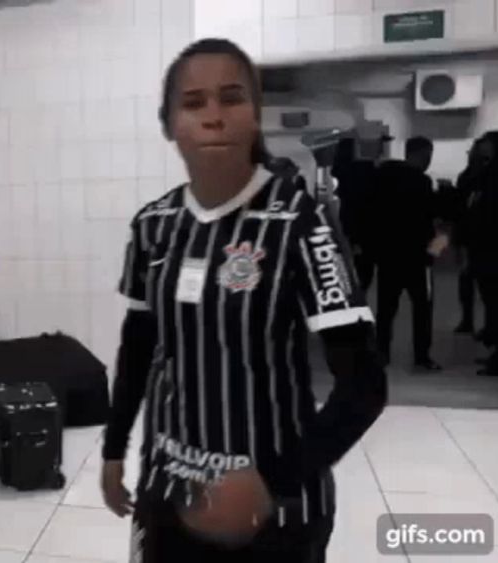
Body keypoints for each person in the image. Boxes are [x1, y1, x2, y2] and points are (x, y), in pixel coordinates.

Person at [100, 38, 388, 562]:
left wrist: (272, 481)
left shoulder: (301, 222)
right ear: (168, 125)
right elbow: (138, 348)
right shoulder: (153, 225)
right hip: (170, 496)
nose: (213, 117)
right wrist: (113, 449)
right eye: (193, 104)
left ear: (255, 115)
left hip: (275, 512)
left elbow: (365, 386)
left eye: (231, 99)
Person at [372, 136, 443, 371]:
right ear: (422, 154)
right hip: (417, 256)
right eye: (428, 156)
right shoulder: (422, 182)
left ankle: (382, 353)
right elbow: (429, 219)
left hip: (389, 254)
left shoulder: (382, 178)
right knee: (422, 307)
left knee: (386, 308)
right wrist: (434, 252)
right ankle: (421, 356)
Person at [466, 132, 498, 376]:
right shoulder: (487, 173)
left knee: (497, 303)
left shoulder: (493, 176)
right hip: (486, 248)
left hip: (492, 248)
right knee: (492, 302)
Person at [452, 137, 492, 335]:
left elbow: (459, 210)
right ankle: (481, 324)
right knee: (478, 284)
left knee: (475, 283)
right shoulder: (475, 177)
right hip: (474, 237)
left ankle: (473, 321)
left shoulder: (471, 177)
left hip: (474, 237)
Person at [332, 138, 377, 292]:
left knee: (350, 264)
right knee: (364, 267)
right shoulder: (365, 169)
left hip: (348, 221)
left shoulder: (340, 170)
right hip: (365, 223)